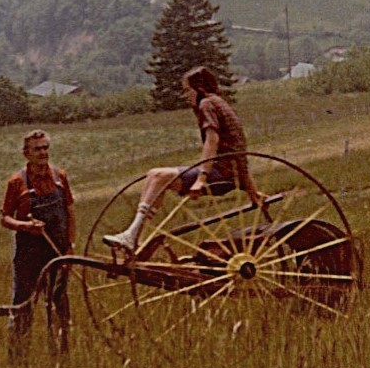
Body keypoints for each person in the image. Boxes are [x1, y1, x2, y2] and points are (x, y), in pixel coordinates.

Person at [103, 65, 262, 255]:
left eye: (187, 90)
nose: (186, 96)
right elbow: (239, 152)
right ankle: (136, 237)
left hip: (220, 175)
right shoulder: (221, 103)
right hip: (229, 173)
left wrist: (201, 179)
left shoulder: (206, 105)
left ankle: (132, 236)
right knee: (154, 175)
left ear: (199, 88)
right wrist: (252, 191)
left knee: (159, 176)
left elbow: (212, 141)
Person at [0, 129, 75, 347]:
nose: (43, 152)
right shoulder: (16, 182)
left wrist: (70, 247)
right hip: (28, 254)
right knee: (23, 303)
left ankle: (62, 352)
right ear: (26, 154)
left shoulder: (60, 177)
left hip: (57, 251)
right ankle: (18, 356)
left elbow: (70, 213)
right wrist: (25, 226)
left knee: (59, 301)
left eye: (45, 147)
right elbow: (4, 218)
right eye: (37, 149)